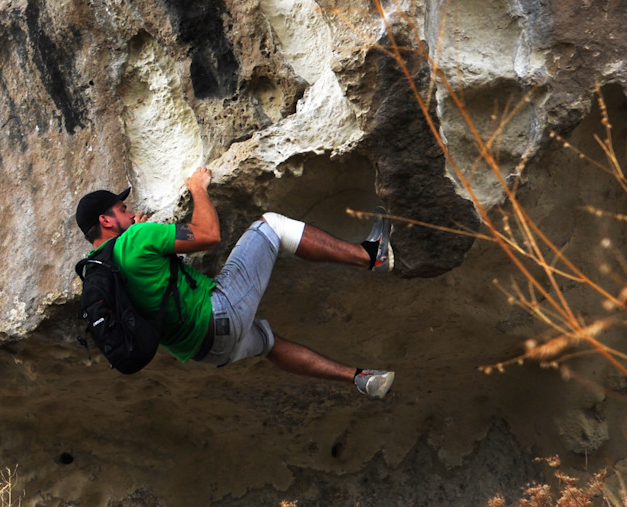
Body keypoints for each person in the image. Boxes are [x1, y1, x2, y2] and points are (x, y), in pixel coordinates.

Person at [75, 167, 396, 398]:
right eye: (123, 209)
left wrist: (140, 233)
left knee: (270, 343)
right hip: (218, 315)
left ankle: (360, 378)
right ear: (106, 220)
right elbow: (208, 235)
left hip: (208, 351)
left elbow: (149, 281)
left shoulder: (101, 271)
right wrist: (198, 187)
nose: (131, 214)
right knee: (271, 225)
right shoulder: (136, 238)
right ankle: (371, 256)